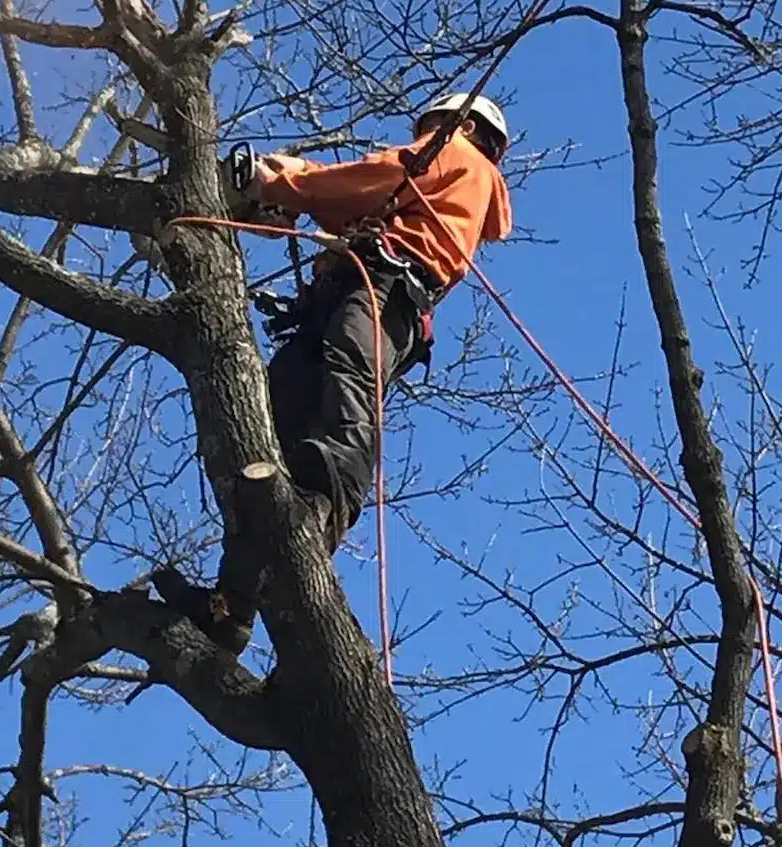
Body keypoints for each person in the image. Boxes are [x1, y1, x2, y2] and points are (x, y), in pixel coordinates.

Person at [154, 94, 513, 656]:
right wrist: (287, 208)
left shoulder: (455, 154)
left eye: (428, 130)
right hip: (349, 289)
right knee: (268, 418)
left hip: (384, 290)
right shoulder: (441, 189)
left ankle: (318, 514)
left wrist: (284, 180)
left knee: (345, 389)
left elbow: (375, 178)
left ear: (462, 125)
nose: (421, 139)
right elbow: (363, 204)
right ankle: (232, 604)